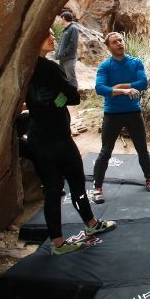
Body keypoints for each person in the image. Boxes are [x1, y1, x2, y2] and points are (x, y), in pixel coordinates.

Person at [25, 28, 116, 255]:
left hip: (37, 137)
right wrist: (60, 97)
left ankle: (57, 243)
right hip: (58, 138)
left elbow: (32, 102)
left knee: (53, 191)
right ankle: (92, 224)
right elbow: (73, 96)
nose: (53, 37)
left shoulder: (23, 69)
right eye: (47, 35)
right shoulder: (49, 68)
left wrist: (48, 100)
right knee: (76, 182)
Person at [92, 32, 150, 203]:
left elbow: (143, 83)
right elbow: (100, 88)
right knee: (106, 151)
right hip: (112, 114)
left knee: (142, 148)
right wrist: (124, 91)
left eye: (120, 40)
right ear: (109, 47)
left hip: (133, 112)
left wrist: (120, 85)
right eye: (114, 42)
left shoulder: (135, 62)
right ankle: (97, 187)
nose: (119, 43)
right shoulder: (105, 66)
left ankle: (149, 178)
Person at [55, 11, 79, 88]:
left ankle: (75, 96)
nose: (59, 21)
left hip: (69, 58)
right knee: (63, 78)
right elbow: (61, 44)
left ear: (64, 18)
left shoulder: (73, 28)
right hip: (62, 58)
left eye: (60, 19)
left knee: (71, 78)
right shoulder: (65, 29)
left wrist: (64, 53)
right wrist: (57, 54)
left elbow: (73, 44)